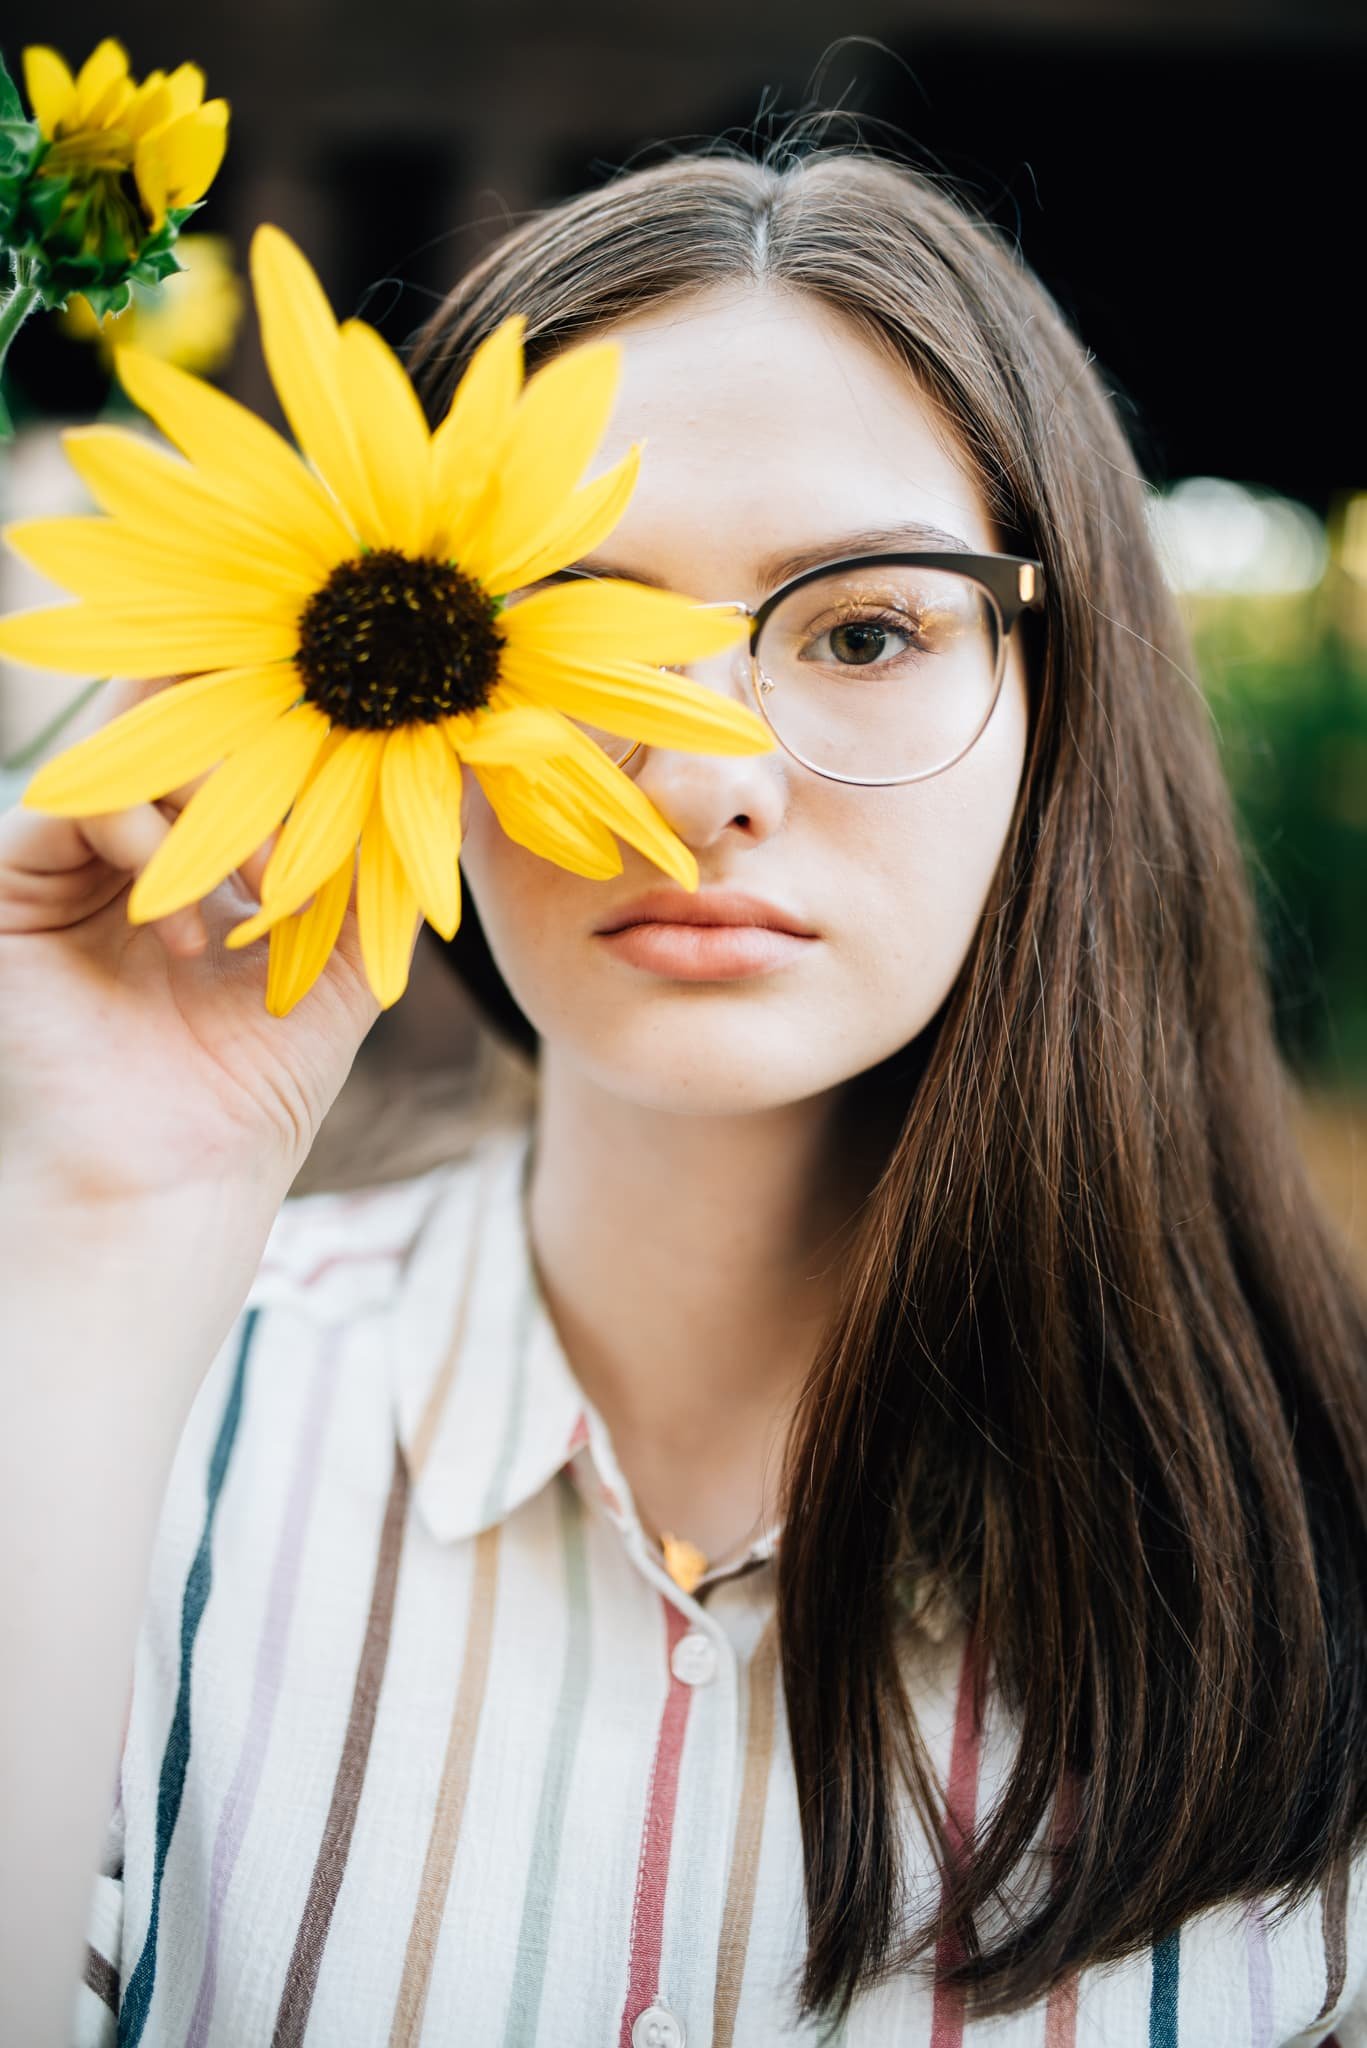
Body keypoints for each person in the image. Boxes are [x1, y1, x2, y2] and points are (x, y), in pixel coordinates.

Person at [3, 132, 1365, 2048]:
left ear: (1066, 712)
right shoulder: (120, 1432)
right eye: (575, 633)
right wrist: (100, 1228)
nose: (702, 775)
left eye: (868, 629)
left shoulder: (1321, 1547)